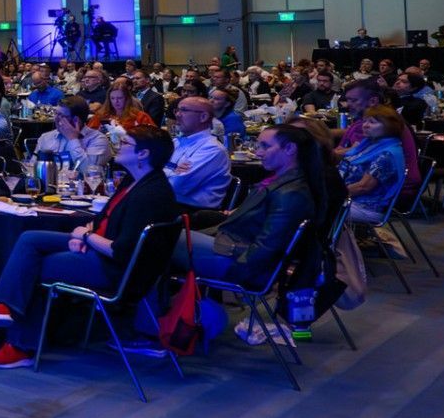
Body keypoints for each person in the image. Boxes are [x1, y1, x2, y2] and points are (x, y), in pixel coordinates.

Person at [0, 125, 184, 368]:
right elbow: (103, 218)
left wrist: (86, 238)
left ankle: (20, 345)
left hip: (117, 269)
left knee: (36, 268)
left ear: (143, 154)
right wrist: (85, 234)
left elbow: (121, 251)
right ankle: (0, 306)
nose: (119, 147)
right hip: (101, 249)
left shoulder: (151, 195)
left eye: (125, 143)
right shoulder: (134, 181)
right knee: (31, 238)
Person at [175, 123, 324, 292]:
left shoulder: (290, 193)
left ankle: (162, 311)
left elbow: (268, 247)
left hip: (247, 267)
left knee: (159, 241)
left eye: (265, 146)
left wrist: (238, 273)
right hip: (238, 252)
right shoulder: (284, 183)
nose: (258, 152)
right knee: (164, 237)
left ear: (290, 148)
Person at [340, 105, 407, 226]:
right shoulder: (370, 144)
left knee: (310, 208)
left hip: (367, 206)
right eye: (365, 121)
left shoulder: (387, 153)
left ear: (389, 126)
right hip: (349, 198)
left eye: (372, 122)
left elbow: (363, 187)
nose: (365, 125)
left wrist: (329, 193)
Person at [164, 96, 232, 209]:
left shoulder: (213, 149)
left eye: (184, 110)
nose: (177, 115)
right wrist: (172, 171)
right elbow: (150, 171)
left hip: (192, 214)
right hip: (169, 206)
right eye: (177, 110)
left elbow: (173, 186)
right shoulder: (176, 142)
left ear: (203, 117)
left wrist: (162, 170)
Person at [33, 96, 109, 169]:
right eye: (56, 113)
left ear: (76, 120)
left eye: (61, 116)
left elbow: (89, 172)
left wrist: (73, 139)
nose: (56, 119)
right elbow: (32, 168)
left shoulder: (98, 140)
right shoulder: (46, 138)